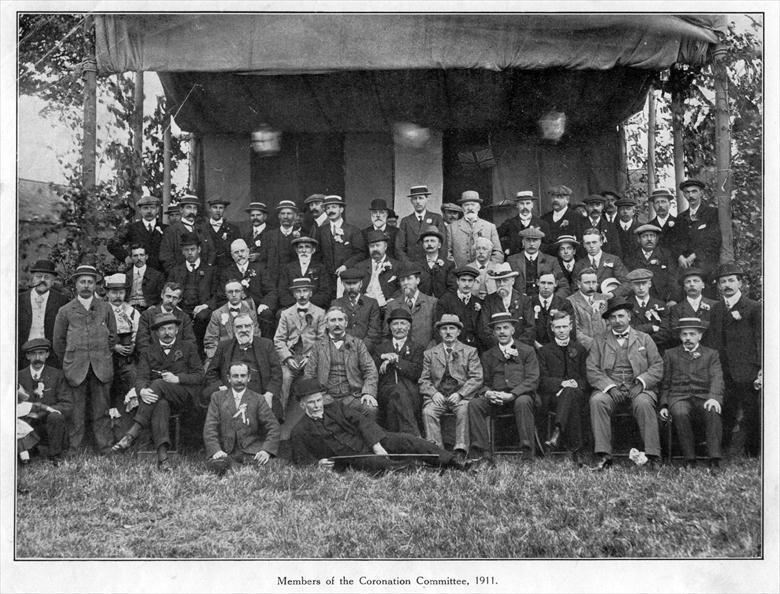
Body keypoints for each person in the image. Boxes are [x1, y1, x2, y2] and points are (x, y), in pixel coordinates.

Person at [290, 379, 473, 473]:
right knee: (381, 464)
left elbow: (362, 421)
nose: (316, 405)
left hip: (372, 440)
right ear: (302, 405)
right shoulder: (299, 430)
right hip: (352, 457)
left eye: (318, 400)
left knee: (407, 440)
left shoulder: (336, 407)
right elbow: (300, 460)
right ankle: (421, 469)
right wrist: (318, 464)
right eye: (311, 403)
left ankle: (452, 462)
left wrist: (376, 444)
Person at [112, 312, 203, 470]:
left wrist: (178, 378)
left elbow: (200, 375)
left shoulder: (188, 348)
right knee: (160, 404)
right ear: (156, 332)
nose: (167, 333)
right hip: (157, 399)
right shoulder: (148, 351)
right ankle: (163, 458)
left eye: (170, 329)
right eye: (162, 330)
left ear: (176, 330)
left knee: (158, 383)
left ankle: (132, 433)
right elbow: (141, 378)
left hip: (183, 396)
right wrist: (142, 391)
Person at [587, 297, 664, 470]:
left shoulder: (644, 339)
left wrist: (642, 383)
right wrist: (610, 387)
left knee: (644, 403)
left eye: (621, 316)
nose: (617, 321)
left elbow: (657, 366)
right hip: (610, 388)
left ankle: (653, 455)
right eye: (613, 317)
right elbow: (592, 369)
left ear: (629, 317)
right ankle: (603, 455)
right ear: (608, 321)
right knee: (597, 401)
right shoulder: (600, 341)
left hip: (639, 388)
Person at [52, 265, 116, 455]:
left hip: (100, 365)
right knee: (76, 410)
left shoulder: (105, 308)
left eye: (90, 282)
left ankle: (104, 446)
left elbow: (113, 336)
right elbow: (58, 342)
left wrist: (102, 353)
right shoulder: (65, 311)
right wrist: (71, 359)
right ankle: (74, 447)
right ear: (75, 285)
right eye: (82, 282)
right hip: (75, 367)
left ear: (96, 284)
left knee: (101, 409)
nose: (86, 286)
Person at [468, 312, 539, 463]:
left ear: (513, 330)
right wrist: (488, 393)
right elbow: (483, 382)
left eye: (505, 327)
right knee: (475, 404)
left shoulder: (527, 350)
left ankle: (527, 454)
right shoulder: (488, 355)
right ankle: (484, 453)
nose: (502, 331)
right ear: (493, 333)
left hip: (520, 396)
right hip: (496, 398)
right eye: (498, 329)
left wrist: (513, 394)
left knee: (523, 402)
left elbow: (532, 379)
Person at [708, 262, 761, 457]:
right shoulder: (716, 309)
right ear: (718, 286)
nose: (727, 285)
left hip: (746, 368)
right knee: (727, 408)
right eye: (723, 281)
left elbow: (760, 339)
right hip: (723, 369)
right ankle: (724, 447)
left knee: (750, 410)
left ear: (740, 283)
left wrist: (760, 367)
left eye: (731, 280)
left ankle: (752, 451)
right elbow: (714, 338)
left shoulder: (754, 307)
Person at [659, 317, 724, 468]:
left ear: (700, 335)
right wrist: (664, 404)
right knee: (680, 412)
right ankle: (689, 459)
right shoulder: (670, 354)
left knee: (712, 409)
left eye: (692, 334)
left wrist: (714, 397)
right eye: (684, 334)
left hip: (703, 396)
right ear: (680, 336)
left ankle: (714, 458)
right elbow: (665, 382)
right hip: (679, 397)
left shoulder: (711, 354)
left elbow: (717, 378)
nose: (688, 338)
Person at [419, 314, 482, 460]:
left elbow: (477, 377)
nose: (448, 332)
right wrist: (434, 394)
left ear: (458, 332)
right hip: (438, 396)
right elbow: (423, 380)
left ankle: (460, 450)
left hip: (460, 397)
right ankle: (436, 451)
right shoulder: (430, 353)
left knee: (465, 410)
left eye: (452, 328)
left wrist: (460, 394)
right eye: (444, 329)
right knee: (428, 411)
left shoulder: (469, 351)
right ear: (439, 332)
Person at [203, 361, 281, 475]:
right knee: (219, 464)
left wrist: (266, 450)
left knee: (269, 466)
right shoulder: (217, 397)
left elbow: (273, 427)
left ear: (249, 378)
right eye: (235, 376)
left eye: (243, 376)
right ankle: (232, 466)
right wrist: (216, 450)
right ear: (228, 378)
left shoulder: (258, 399)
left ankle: (239, 467)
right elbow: (210, 427)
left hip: (250, 450)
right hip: (225, 451)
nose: (239, 380)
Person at [303, 305, 379, 421]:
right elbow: (309, 374)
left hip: (353, 396)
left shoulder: (357, 344)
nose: (337, 324)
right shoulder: (318, 346)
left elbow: (370, 370)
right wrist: (318, 396)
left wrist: (368, 393)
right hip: (327, 396)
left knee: (370, 408)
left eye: (340, 320)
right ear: (327, 324)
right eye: (333, 320)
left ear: (346, 323)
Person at [273, 278, 327, 430]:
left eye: (305, 291)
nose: (302, 295)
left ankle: (311, 419)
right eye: (298, 291)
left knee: (310, 382)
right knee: (285, 377)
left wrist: (310, 357)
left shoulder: (320, 313)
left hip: (310, 357)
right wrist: (287, 357)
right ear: (294, 294)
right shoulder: (286, 314)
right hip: (291, 357)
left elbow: (322, 340)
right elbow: (279, 340)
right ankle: (279, 418)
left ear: (310, 293)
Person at [204, 312, 282, 414]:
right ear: (233, 329)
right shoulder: (224, 346)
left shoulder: (266, 344)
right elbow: (211, 372)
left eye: (247, 326)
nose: (244, 330)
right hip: (230, 395)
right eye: (239, 327)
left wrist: (269, 393)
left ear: (253, 327)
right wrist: (221, 387)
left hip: (260, 396)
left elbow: (277, 373)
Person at [538, 312, 589, 462]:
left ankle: (558, 431)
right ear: (552, 328)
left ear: (571, 327)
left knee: (571, 393)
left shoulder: (580, 349)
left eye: (565, 327)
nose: (561, 330)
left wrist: (576, 384)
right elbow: (541, 380)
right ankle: (576, 449)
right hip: (553, 396)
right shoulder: (544, 351)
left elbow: (586, 377)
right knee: (569, 395)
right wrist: (561, 383)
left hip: (578, 394)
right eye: (558, 327)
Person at [17, 338, 73, 464]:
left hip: (49, 423)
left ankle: (55, 454)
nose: (37, 357)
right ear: (27, 356)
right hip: (27, 423)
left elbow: (67, 404)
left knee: (55, 417)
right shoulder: (18, 376)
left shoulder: (57, 375)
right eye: (33, 354)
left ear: (47, 355)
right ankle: (29, 449)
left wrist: (44, 411)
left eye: (41, 353)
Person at [373, 308, 425, 436]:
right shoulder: (380, 349)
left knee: (395, 400)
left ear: (409, 327)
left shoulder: (417, 348)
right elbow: (373, 370)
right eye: (395, 324)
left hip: (410, 393)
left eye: (403, 324)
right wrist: (383, 357)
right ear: (390, 327)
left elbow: (416, 372)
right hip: (385, 392)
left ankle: (398, 441)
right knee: (396, 392)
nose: (399, 327)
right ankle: (413, 435)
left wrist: (396, 360)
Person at [166, 231, 219, 348]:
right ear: (182, 251)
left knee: (202, 317)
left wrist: (206, 305)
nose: (190, 253)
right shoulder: (176, 271)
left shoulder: (210, 270)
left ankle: (199, 354)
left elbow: (216, 294)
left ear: (199, 249)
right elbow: (168, 293)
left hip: (202, 309)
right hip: (181, 308)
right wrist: (175, 306)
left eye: (192, 249)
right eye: (186, 250)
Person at [104, 273, 141, 437]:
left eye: (120, 292)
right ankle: (107, 433)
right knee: (104, 386)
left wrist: (133, 345)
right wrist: (113, 346)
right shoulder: (101, 310)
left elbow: (138, 334)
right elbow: (97, 335)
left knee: (134, 379)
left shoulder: (133, 312)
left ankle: (130, 431)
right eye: (113, 292)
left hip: (127, 359)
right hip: (105, 358)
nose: (117, 296)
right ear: (107, 293)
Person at [18, 259, 70, 369]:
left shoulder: (62, 301)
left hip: (51, 356)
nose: (42, 280)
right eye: (38, 276)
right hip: (24, 354)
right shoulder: (19, 300)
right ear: (32, 279)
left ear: (53, 281)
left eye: (47, 277)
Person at [220, 238, 277, 337]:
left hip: (257, 306)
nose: (240, 255)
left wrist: (264, 304)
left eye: (242, 251)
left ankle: (265, 346)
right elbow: (221, 295)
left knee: (266, 314)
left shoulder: (260, 268)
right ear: (232, 256)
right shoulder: (227, 272)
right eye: (236, 252)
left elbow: (271, 291)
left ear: (248, 252)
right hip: (235, 307)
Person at [316, 195, 366, 297]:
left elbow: (361, 253)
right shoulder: (321, 231)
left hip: (347, 278)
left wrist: (346, 266)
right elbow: (317, 254)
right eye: (328, 208)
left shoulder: (353, 230)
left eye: (334, 207)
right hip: (327, 280)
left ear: (341, 209)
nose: (330, 210)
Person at [478, 263, 534, 349]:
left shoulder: (524, 300)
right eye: (498, 281)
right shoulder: (489, 300)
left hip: (520, 350)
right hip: (495, 349)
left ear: (513, 281)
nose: (501, 284)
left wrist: (514, 347)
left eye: (505, 280)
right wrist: (501, 347)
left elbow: (530, 328)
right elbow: (484, 329)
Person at [202, 279, 261, 362]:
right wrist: (218, 360)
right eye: (230, 292)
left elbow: (255, 336)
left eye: (237, 291)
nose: (234, 294)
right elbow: (210, 340)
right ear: (226, 294)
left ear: (242, 293)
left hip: (246, 356)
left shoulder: (251, 314)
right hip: (223, 357)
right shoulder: (217, 314)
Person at [383, 264, 438, 348]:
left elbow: (437, 334)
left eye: (409, 278)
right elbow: (386, 334)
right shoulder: (392, 305)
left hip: (425, 353)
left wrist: (429, 352)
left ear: (417, 280)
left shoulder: (432, 303)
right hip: (400, 355)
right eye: (402, 280)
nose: (405, 283)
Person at [107, 194, 167, 272]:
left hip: (161, 273)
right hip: (137, 272)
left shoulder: (166, 229)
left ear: (157, 210)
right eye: (145, 208)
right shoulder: (131, 228)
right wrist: (126, 257)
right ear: (140, 210)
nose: (149, 211)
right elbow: (112, 244)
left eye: (152, 208)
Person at [624, 224, 681, 304]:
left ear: (657, 239)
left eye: (652, 236)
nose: (649, 239)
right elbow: (627, 281)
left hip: (662, 299)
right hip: (637, 299)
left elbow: (674, 279)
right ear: (638, 239)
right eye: (645, 236)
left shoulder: (666, 255)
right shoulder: (631, 257)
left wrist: (673, 299)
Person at [506, 227, 569, 299]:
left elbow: (564, 286)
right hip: (519, 303)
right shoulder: (512, 260)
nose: (531, 244)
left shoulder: (551, 261)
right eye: (528, 240)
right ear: (523, 241)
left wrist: (552, 300)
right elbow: (506, 285)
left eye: (535, 240)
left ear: (540, 242)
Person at [677, 179, 721, 280]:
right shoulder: (680, 218)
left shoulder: (712, 213)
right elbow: (676, 241)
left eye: (694, 191)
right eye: (687, 192)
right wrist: (680, 257)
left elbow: (714, 239)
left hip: (706, 266)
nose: (690, 195)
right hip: (685, 267)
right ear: (684, 195)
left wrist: (694, 255)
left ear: (701, 193)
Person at [331, 268, 383, 353]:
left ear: (361, 284)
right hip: (342, 352)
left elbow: (374, 333)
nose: (351, 287)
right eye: (348, 283)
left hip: (366, 351)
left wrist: (360, 350)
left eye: (355, 283)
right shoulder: (336, 304)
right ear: (342, 284)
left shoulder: (371, 303)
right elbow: (334, 330)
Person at [135, 282, 196, 355]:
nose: (170, 300)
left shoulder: (184, 318)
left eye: (175, 298)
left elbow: (190, 342)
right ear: (162, 295)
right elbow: (142, 342)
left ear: (179, 300)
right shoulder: (147, 316)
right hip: (152, 359)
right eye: (168, 296)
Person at [447, 190, 503, 268]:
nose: (470, 208)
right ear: (462, 208)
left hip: (484, 274)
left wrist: (488, 268)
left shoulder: (490, 227)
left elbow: (498, 253)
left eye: (473, 205)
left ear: (479, 207)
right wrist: (456, 270)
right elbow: (447, 253)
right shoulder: (452, 227)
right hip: (460, 274)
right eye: (466, 205)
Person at [277, 235, 332, 310]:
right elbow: (282, 291)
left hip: (315, 307)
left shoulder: (321, 268)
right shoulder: (288, 268)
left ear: (313, 250)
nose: (304, 250)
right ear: (296, 250)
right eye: (301, 247)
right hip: (292, 306)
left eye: (307, 247)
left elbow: (325, 292)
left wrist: (308, 305)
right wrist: (297, 305)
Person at [396, 185, 448, 263]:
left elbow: (443, 244)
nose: (418, 202)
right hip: (412, 265)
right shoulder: (405, 221)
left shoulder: (436, 218)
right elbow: (399, 247)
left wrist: (439, 261)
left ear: (427, 199)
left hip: (432, 265)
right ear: (411, 201)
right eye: (415, 198)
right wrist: (408, 265)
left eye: (421, 198)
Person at [572, 227, 630, 297]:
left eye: (594, 242)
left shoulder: (614, 260)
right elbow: (575, 288)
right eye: (588, 243)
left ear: (601, 242)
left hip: (611, 301)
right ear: (584, 245)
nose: (591, 246)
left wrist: (612, 294)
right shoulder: (579, 265)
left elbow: (627, 283)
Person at [434, 266, 483, 348]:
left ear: (474, 282)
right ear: (457, 281)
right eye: (463, 280)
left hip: (474, 347)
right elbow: (439, 329)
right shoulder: (445, 301)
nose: (467, 284)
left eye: (470, 281)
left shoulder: (478, 302)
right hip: (452, 346)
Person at [159, 194, 207, 273]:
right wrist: (176, 274)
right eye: (188, 207)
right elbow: (165, 257)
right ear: (181, 210)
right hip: (180, 277)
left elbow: (208, 252)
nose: (192, 211)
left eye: (194, 208)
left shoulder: (203, 229)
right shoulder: (171, 231)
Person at [354, 230, 402, 308]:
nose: (375, 249)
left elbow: (403, 287)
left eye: (378, 245)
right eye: (372, 246)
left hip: (387, 307)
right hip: (364, 308)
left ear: (385, 246)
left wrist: (392, 299)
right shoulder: (359, 267)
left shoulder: (397, 266)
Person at [625, 268, 671, 349]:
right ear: (631, 286)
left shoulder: (661, 305)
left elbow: (666, 332)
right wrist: (651, 328)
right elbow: (627, 330)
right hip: (633, 349)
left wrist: (646, 340)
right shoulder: (626, 305)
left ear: (649, 284)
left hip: (657, 348)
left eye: (644, 283)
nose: (641, 287)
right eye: (637, 284)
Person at [669, 268, 717, 344]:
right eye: (688, 282)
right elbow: (674, 332)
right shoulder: (676, 309)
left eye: (696, 281)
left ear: (703, 285)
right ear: (684, 287)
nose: (692, 284)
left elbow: (717, 328)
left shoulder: (715, 305)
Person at [497, 190, 550, 257]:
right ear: (517, 205)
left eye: (528, 203)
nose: (525, 207)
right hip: (514, 260)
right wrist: (506, 248)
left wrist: (536, 248)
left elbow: (548, 244)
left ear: (532, 205)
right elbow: (495, 236)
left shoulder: (542, 224)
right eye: (522, 203)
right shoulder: (509, 223)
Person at [566, 267, 608, 350]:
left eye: (594, 282)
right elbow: (574, 330)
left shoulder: (604, 299)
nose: (591, 286)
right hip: (583, 349)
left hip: (606, 348)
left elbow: (610, 324)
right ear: (579, 284)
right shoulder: (570, 302)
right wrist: (594, 345)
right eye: (587, 283)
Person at [530, 272, 575, 348]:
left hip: (558, 347)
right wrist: (535, 344)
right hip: (534, 347)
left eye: (550, 283)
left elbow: (571, 329)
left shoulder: (565, 304)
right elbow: (526, 327)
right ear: (537, 283)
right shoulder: (529, 302)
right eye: (543, 283)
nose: (546, 287)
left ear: (556, 284)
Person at [264, 200, 303, 284]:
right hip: (274, 281)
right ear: (278, 215)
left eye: (289, 213)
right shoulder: (269, 235)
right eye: (282, 213)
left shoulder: (302, 236)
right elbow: (264, 260)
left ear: (295, 216)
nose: (285, 216)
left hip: (295, 279)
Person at [198, 197, 241, 269]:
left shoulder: (233, 229)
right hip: (207, 268)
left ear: (224, 210)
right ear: (209, 209)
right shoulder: (201, 229)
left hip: (227, 268)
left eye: (221, 208)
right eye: (215, 207)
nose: (218, 210)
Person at [414, 225, 456, 298]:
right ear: (423, 245)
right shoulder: (416, 265)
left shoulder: (449, 265)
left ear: (439, 245)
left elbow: (452, 288)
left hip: (443, 303)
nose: (429, 244)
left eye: (432, 241)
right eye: (426, 241)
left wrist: (443, 302)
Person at [540, 186, 586, 252]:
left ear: (567, 200)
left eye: (559, 197)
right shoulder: (544, 218)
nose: (555, 200)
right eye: (553, 197)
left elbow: (580, 243)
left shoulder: (577, 218)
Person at [647, 188, 686, 259]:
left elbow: (683, 246)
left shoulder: (679, 223)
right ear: (653, 206)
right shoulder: (648, 226)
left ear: (670, 204)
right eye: (657, 202)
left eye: (663, 202)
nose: (660, 205)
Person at [124, 245, 164, 310]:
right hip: (128, 308)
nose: (139, 258)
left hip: (149, 309)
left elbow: (162, 297)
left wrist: (155, 307)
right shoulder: (125, 275)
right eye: (135, 256)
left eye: (141, 255)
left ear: (146, 257)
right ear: (131, 258)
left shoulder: (157, 275)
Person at [582, 194, 622, 259]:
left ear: (603, 206)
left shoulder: (611, 227)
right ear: (586, 207)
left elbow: (616, 251)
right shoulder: (579, 225)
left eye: (598, 205)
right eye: (591, 205)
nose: (595, 208)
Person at [613, 195, 642, 264]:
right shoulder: (612, 228)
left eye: (628, 209)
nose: (625, 211)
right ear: (618, 211)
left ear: (633, 211)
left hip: (637, 265)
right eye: (622, 209)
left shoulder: (641, 228)